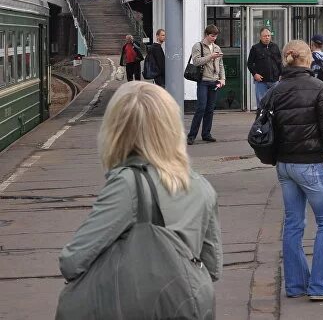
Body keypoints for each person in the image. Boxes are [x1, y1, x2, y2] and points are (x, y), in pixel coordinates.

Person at [59, 83, 222, 307]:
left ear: (116, 130)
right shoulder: (201, 186)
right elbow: (212, 267)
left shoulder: (127, 183)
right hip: (184, 306)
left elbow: (72, 261)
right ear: (172, 128)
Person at [267, 39, 323, 301]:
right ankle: (322, 286)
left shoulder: (274, 91)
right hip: (311, 164)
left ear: (285, 59)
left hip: (284, 164)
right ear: (309, 59)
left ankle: (296, 285)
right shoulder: (320, 89)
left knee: (293, 224)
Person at [187, 25, 225, 145]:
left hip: (214, 81)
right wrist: (210, 56)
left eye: (216, 36)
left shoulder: (217, 47)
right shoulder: (198, 46)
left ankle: (206, 134)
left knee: (210, 109)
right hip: (203, 80)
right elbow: (196, 62)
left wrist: (222, 78)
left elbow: (221, 65)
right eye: (212, 36)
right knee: (201, 108)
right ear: (206, 34)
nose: (214, 38)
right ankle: (191, 135)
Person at [247, 27, 282, 106]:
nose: (267, 38)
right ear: (260, 37)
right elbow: (249, 64)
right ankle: (261, 117)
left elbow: (279, 62)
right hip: (261, 81)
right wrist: (255, 74)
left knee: (275, 103)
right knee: (262, 103)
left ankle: (273, 118)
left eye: (268, 36)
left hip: (275, 80)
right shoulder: (255, 48)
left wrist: (281, 74)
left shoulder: (275, 47)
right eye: (265, 36)